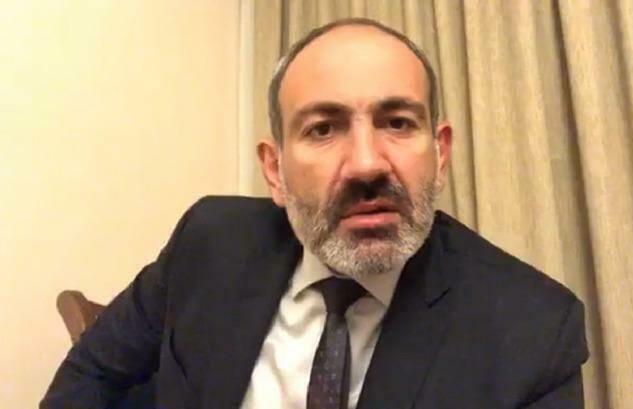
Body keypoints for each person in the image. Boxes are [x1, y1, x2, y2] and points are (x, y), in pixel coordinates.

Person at [41, 18, 588, 409]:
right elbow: (92, 375)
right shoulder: (208, 241)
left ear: (440, 153)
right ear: (274, 169)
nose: (367, 164)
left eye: (398, 123)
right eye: (323, 128)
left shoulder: (534, 331)